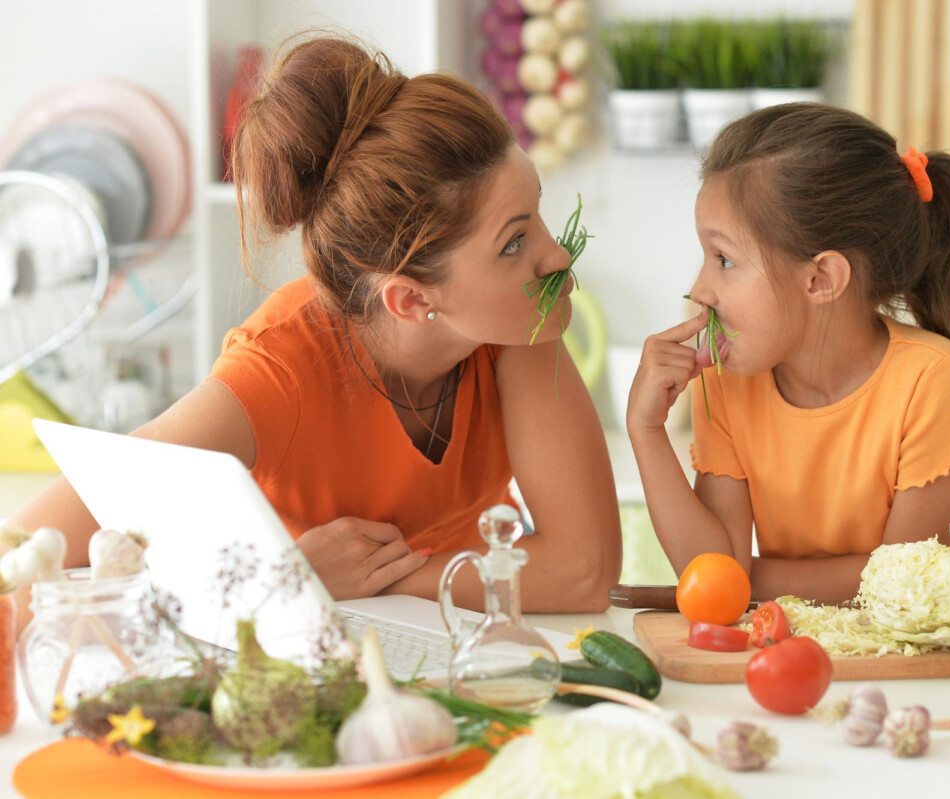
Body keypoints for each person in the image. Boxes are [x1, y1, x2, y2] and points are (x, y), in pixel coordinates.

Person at [8, 35, 621, 622]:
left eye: (536, 210)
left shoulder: (521, 327)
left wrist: (383, 579)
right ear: (410, 299)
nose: (557, 257)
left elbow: (582, 571)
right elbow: (23, 552)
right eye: (514, 243)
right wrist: (288, 577)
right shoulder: (277, 372)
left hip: (456, 648)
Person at [626, 103, 950, 606]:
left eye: (724, 259)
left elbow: (907, 582)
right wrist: (647, 432)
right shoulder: (727, 382)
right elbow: (710, 572)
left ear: (820, 279)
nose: (699, 289)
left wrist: (747, 580)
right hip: (786, 656)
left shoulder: (937, 382)